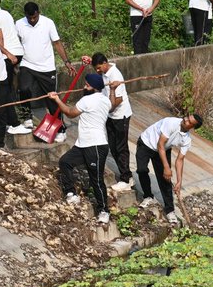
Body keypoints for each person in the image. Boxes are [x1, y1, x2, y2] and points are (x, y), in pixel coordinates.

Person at [48, 72, 121, 225]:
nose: (84, 87)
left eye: (86, 85)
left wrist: (56, 99)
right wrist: (113, 90)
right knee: (65, 162)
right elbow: (113, 105)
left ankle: (103, 211)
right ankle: (71, 193)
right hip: (82, 144)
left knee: (97, 180)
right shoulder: (105, 100)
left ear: (93, 87)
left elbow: (69, 113)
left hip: (96, 145)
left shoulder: (87, 100)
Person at [15, 2, 75, 141]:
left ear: (38, 13)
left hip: (46, 67)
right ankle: (26, 116)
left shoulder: (48, 23)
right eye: (29, 18)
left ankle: (61, 129)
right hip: (27, 64)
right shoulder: (18, 24)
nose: (32, 20)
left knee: (51, 98)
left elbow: (57, 43)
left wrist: (67, 62)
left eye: (34, 17)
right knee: (23, 89)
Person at [137, 113, 203, 225]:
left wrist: (179, 181)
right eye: (187, 117)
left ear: (192, 127)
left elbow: (180, 160)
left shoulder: (186, 140)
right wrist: (167, 168)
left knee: (166, 179)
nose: (185, 119)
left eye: (189, 121)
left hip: (164, 148)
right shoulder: (171, 122)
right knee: (142, 170)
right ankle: (148, 196)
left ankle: (170, 210)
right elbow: (160, 145)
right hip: (147, 143)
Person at [88, 53, 134, 191]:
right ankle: (125, 175)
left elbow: (118, 99)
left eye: (98, 67)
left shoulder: (115, 76)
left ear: (104, 63)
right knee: (113, 147)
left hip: (121, 116)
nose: (97, 71)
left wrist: (105, 109)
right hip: (111, 115)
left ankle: (127, 179)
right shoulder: (104, 73)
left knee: (121, 147)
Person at [0, 0, 26, 130]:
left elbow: (0, 37)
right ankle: (10, 120)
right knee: (9, 87)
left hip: (7, 54)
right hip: (18, 51)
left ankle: (12, 122)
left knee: (5, 90)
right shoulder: (6, 13)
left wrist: (2, 54)